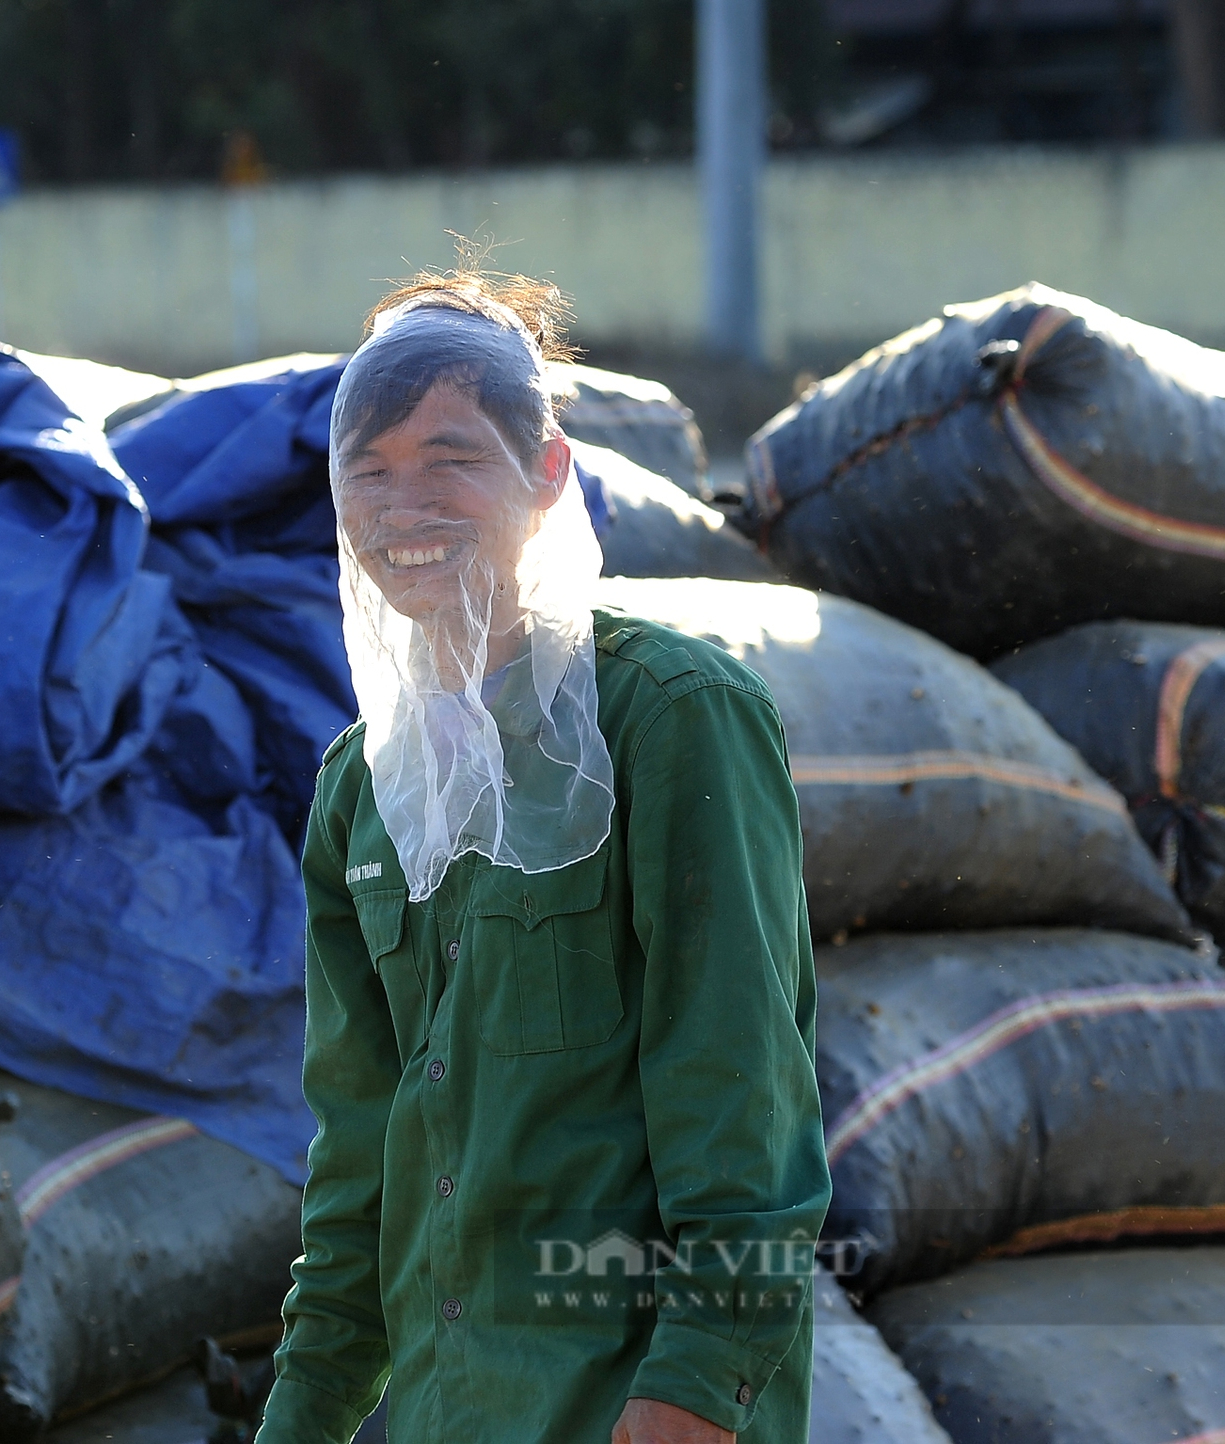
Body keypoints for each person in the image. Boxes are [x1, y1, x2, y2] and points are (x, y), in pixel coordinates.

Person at [254, 271, 829, 1444]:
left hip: (627, 1412)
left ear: (546, 474)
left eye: (450, 456)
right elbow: (359, 1161)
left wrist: (694, 1385)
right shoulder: (359, 791)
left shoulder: (667, 717)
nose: (403, 504)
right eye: (369, 467)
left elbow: (740, 1093)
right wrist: (298, 1419)